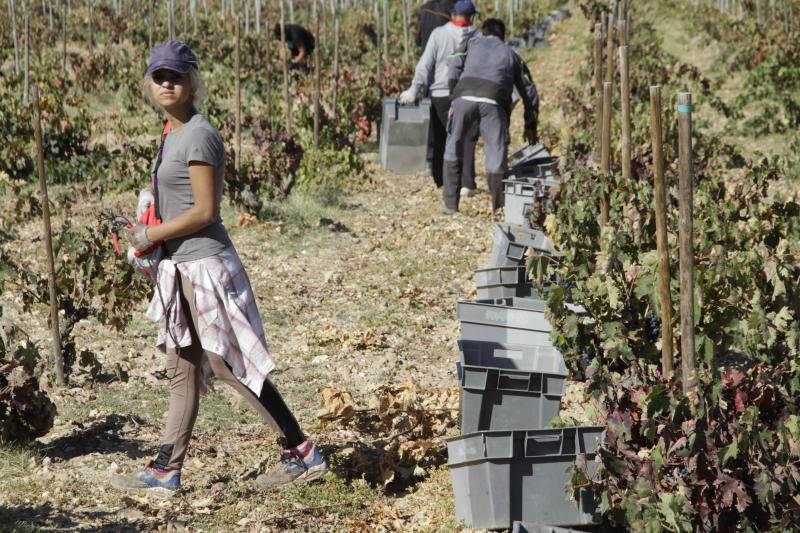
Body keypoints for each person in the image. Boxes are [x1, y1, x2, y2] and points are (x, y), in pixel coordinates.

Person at [110, 40, 327, 494]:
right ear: (148, 84)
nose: (167, 83)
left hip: (205, 264)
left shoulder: (198, 134)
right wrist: (150, 218)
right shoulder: (172, 134)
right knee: (183, 364)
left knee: (226, 362)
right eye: (159, 76)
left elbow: (206, 211)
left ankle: (302, 451)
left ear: (193, 81)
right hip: (180, 265)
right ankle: (168, 467)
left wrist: (152, 234)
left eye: (176, 76)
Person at [442, 18, 538, 215]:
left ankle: (451, 206)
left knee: (453, 146)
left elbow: (453, 66)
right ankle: (499, 208)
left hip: (463, 97)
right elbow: (529, 91)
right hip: (494, 101)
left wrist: (454, 97)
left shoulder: (470, 43)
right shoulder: (512, 54)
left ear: (483, 32)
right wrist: (531, 124)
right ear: (503, 36)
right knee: (495, 152)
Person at [399, 0, 479, 193]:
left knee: (441, 137)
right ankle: (466, 184)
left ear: (453, 15)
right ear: (471, 17)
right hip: (467, 94)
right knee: (465, 137)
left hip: (440, 93)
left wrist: (414, 89)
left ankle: (442, 181)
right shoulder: (477, 36)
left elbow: (425, 63)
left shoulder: (438, 33)